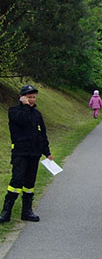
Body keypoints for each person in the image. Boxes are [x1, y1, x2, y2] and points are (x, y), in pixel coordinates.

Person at [0, 85, 53, 223]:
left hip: (34, 153)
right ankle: (6, 212)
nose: (31, 100)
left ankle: (27, 211)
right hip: (20, 152)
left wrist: (47, 152)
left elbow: (42, 134)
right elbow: (23, 121)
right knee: (16, 180)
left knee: (29, 183)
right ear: (22, 97)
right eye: (29, 97)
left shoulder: (37, 114)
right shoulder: (15, 111)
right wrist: (25, 106)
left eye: (33, 97)